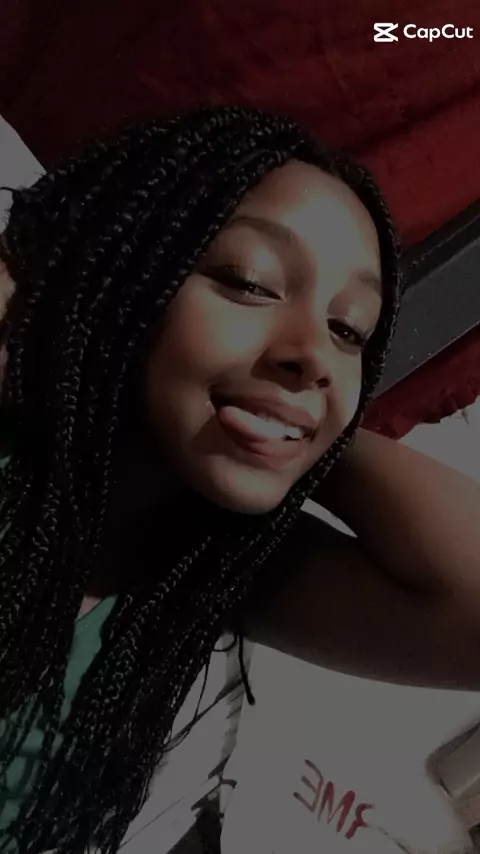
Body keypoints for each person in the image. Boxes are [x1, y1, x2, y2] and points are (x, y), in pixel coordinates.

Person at [0, 105, 479, 854]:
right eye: (249, 282)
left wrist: (308, 430)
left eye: (349, 329)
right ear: (122, 271)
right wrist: (68, 326)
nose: (316, 355)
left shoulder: (219, 572)